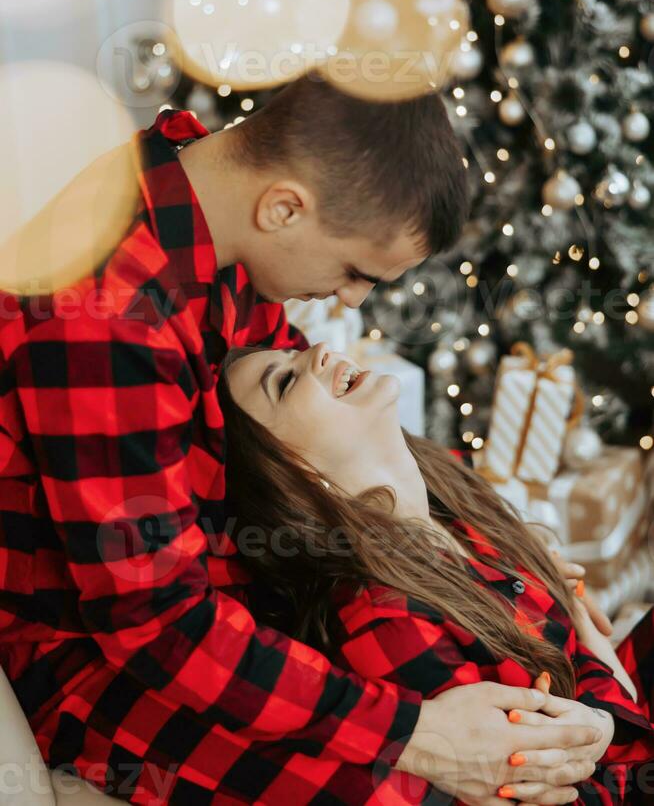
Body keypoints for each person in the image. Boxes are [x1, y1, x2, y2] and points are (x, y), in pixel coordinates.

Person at [0, 74, 606, 804]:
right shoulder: (105, 318)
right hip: (97, 653)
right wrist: (417, 737)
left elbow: (316, 447)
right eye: (354, 272)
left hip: (235, 592)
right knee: (400, 790)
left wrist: (526, 578)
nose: (353, 303)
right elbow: (156, 624)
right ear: (283, 207)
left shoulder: (209, 208)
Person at [217, 339, 654, 804]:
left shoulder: (454, 508)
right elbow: (563, 784)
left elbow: (573, 662)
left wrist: (599, 695)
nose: (317, 350)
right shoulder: (388, 622)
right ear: (290, 476)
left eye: (293, 353)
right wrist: (603, 684)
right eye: (284, 382)